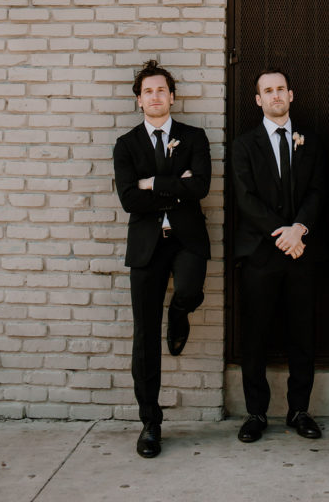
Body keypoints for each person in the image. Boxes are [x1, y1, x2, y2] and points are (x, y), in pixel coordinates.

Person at [113, 60, 211, 458]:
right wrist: (176, 186)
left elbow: (200, 187)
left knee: (188, 290)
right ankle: (150, 422)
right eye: (148, 91)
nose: (155, 97)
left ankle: (181, 312)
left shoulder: (194, 137)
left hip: (187, 239)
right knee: (144, 336)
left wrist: (152, 182)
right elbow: (128, 199)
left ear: (172, 96)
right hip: (146, 246)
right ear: (139, 100)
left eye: (161, 90)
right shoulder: (126, 144)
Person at [231, 68, 326, 443]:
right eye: (267, 91)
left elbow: (319, 191)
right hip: (260, 254)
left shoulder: (312, 142)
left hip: (302, 252)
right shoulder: (244, 145)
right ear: (258, 99)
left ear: (291, 94)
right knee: (254, 336)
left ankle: (299, 410)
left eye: (281, 89)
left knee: (302, 334)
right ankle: (256, 413)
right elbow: (246, 199)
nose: (275, 96)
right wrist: (282, 234)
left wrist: (299, 229)